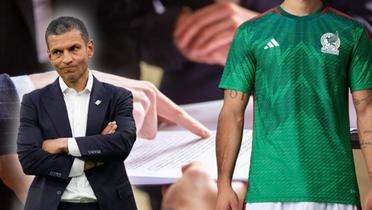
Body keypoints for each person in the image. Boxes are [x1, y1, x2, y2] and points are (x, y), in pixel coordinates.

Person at [14, 16, 208, 210]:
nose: (67, 59)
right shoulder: (30, 100)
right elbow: (30, 160)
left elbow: (120, 144)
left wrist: (63, 146)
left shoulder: (119, 96)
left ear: (89, 49)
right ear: (50, 56)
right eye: (57, 52)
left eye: (74, 49)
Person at [216, 0, 372, 210]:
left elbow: (366, 110)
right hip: (267, 191)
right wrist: (224, 184)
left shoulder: (352, 32)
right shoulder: (250, 33)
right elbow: (232, 113)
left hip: (335, 188)